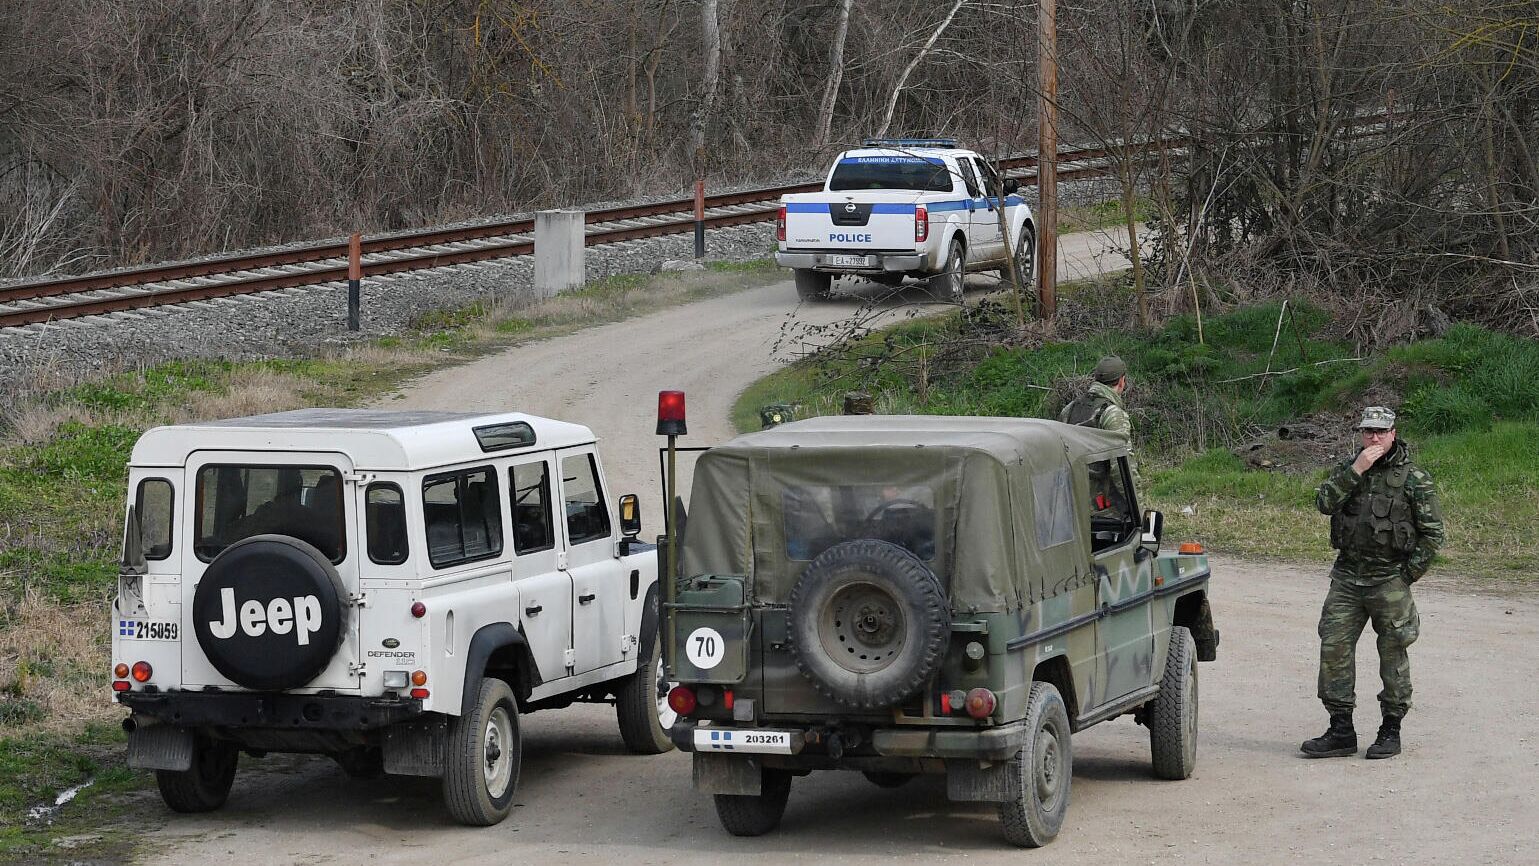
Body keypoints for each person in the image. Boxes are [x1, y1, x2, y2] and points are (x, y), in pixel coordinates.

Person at [1301, 406, 1443, 760]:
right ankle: (1341, 730)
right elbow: (1323, 502)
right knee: (1333, 648)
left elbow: (1432, 535)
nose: (1374, 438)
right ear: (1361, 434)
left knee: (1393, 652)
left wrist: (1406, 576)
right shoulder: (1350, 469)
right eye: (1368, 432)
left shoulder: (1414, 478)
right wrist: (1357, 469)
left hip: (1388, 579)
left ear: (1394, 432)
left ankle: (1391, 729)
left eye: (1381, 432)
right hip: (1347, 577)